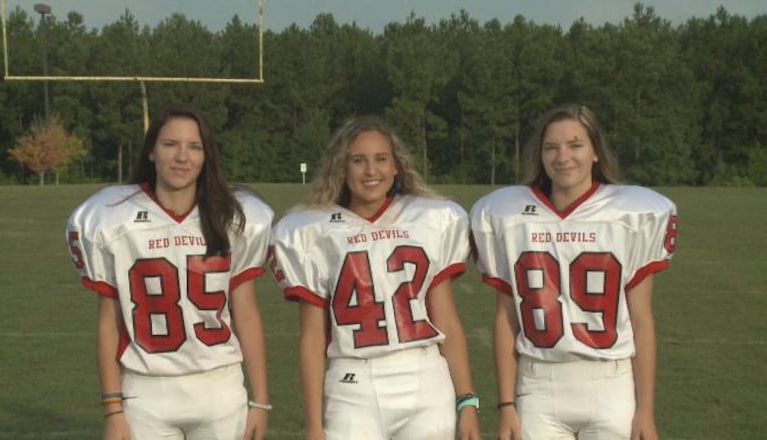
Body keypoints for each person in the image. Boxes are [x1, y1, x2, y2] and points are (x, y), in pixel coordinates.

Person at [471, 103, 678, 440]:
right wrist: (505, 405)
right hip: (539, 384)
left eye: (575, 145)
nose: (562, 156)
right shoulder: (507, 214)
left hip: (610, 384)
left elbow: (641, 320)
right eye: (551, 147)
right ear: (539, 155)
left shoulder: (631, 214)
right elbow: (506, 318)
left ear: (596, 151)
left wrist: (646, 410)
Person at [65, 105, 273, 440]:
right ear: (150, 151)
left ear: (206, 156)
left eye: (194, 147)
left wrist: (261, 401)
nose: (182, 157)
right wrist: (112, 408)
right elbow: (109, 320)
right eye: (169, 144)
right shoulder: (113, 216)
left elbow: (246, 311)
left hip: (219, 386)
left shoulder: (234, 216)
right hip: (146, 391)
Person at [268, 114, 482, 440]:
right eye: (358, 161)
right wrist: (313, 424)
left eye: (381, 159)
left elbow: (448, 322)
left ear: (396, 166)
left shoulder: (430, 218)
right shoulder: (312, 228)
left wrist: (467, 400)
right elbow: (312, 337)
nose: (371, 171)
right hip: (352, 383)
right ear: (342, 167)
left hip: (423, 378)